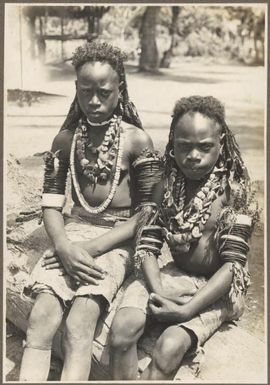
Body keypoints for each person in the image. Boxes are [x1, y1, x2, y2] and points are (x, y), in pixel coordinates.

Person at [19, 41, 162, 381]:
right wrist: (65, 247)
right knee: (40, 319)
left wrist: (92, 249)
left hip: (117, 239)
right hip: (74, 232)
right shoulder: (66, 140)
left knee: (80, 323)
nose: (94, 101)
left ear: (120, 89)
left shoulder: (137, 141)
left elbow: (148, 214)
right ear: (76, 90)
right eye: (86, 92)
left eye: (104, 92)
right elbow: (51, 203)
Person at [110, 95, 257, 380]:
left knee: (168, 347)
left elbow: (232, 267)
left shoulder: (235, 193)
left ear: (221, 143)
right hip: (172, 276)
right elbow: (148, 247)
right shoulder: (165, 186)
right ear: (171, 143)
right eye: (184, 146)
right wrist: (158, 291)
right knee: (121, 332)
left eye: (205, 147)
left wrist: (186, 311)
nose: (193, 156)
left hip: (219, 286)